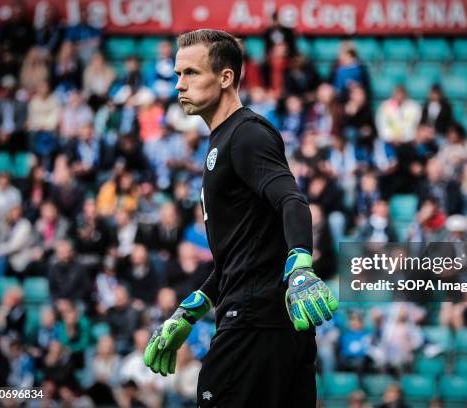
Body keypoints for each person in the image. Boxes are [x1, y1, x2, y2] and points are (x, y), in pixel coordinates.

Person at [142, 30, 338, 408]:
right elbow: (242, 253)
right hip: (272, 323)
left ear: (226, 77)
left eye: (191, 73)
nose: (179, 85)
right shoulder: (223, 141)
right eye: (178, 74)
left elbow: (293, 202)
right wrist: (191, 310)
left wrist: (300, 266)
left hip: (253, 323)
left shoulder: (246, 134)